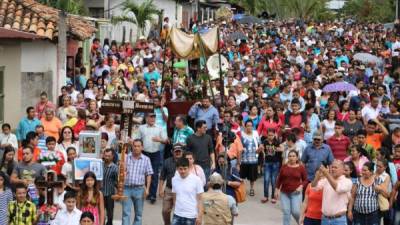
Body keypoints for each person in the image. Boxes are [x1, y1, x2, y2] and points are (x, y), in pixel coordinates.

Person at [138, 113, 168, 203]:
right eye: (150, 117)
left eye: (153, 117)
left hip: (155, 153)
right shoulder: (141, 128)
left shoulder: (160, 128)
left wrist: (159, 140)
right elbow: (137, 138)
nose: (152, 119)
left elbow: (166, 140)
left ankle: (152, 195)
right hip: (144, 153)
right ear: (146, 118)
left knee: (154, 174)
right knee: (145, 173)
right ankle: (146, 192)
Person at [311, 160, 353, 225]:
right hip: (325, 219)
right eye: (332, 167)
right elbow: (313, 187)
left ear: (342, 170)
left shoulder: (347, 181)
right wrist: (317, 176)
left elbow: (338, 188)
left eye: (335, 167)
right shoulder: (326, 179)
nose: (333, 169)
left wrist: (327, 174)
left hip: (339, 220)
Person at [122, 139, 153, 225]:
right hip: (127, 188)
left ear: (142, 147)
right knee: (125, 213)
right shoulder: (126, 157)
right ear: (132, 147)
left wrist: (147, 189)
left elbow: (149, 174)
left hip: (139, 189)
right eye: (134, 146)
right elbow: (121, 172)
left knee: (138, 214)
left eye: (138, 146)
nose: (136, 148)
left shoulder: (146, 159)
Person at [275, 150, 307, 225]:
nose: (291, 158)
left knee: (295, 211)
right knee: (286, 212)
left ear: (297, 158)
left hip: (296, 193)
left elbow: (306, 180)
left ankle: (301, 222)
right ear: (288, 157)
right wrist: (276, 190)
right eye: (290, 156)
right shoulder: (284, 167)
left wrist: (301, 186)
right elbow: (279, 179)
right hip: (284, 193)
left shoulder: (301, 167)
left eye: (293, 156)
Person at [171, 157, 204, 225]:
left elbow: (200, 199)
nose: (183, 171)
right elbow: (174, 196)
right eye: (180, 169)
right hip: (177, 215)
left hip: (191, 216)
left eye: (185, 169)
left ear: (188, 168)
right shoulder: (174, 179)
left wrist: (200, 216)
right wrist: (175, 210)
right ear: (177, 169)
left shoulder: (197, 180)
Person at [159, 144, 184, 225]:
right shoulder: (167, 162)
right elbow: (162, 177)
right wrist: (160, 189)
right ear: (172, 152)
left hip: (182, 190)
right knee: (165, 210)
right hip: (169, 189)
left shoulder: (186, 161)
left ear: (182, 152)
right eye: (176, 151)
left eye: (179, 151)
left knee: (180, 212)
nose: (178, 153)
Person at [240, 120, 263, 196]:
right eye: (247, 126)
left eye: (250, 126)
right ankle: (242, 189)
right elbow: (239, 145)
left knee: (252, 177)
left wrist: (260, 149)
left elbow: (260, 144)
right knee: (242, 176)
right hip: (244, 159)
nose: (249, 127)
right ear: (245, 127)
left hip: (253, 159)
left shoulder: (256, 134)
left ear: (253, 126)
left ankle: (251, 188)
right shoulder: (242, 134)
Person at [261, 128, 282, 203]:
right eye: (269, 135)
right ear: (267, 135)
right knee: (266, 179)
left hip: (275, 163)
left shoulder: (277, 141)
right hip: (267, 162)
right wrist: (260, 148)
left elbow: (282, 149)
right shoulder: (265, 141)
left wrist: (277, 148)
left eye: (272, 135)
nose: (270, 136)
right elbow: (259, 149)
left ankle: (273, 196)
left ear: (274, 134)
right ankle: (265, 196)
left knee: (273, 180)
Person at [102, 149, 118, 225]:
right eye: (105, 155)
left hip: (109, 194)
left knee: (110, 213)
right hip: (100, 193)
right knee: (100, 211)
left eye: (109, 156)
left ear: (112, 156)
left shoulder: (115, 168)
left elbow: (117, 181)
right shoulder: (100, 165)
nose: (107, 157)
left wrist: (118, 193)